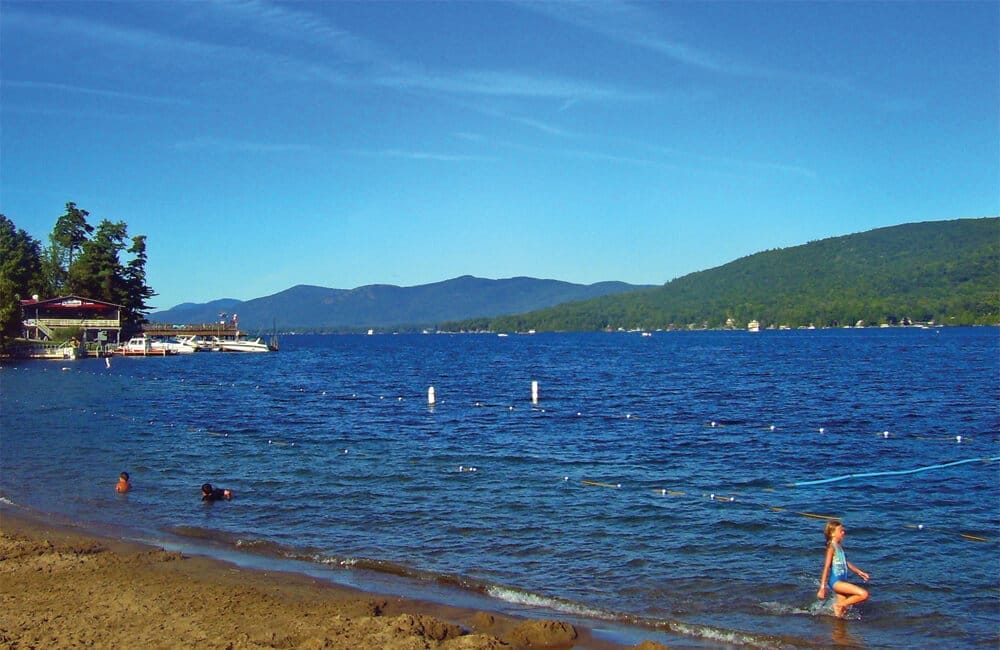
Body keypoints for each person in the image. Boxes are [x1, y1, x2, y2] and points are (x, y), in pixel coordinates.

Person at [817, 519, 870, 618]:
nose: (843, 532)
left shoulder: (839, 547)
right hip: (836, 582)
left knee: (841, 614)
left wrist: (859, 572)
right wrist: (822, 587)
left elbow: (845, 563)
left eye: (843, 530)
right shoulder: (831, 547)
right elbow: (826, 567)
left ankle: (837, 631)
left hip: (842, 580)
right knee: (864, 594)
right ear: (832, 533)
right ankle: (838, 605)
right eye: (840, 531)